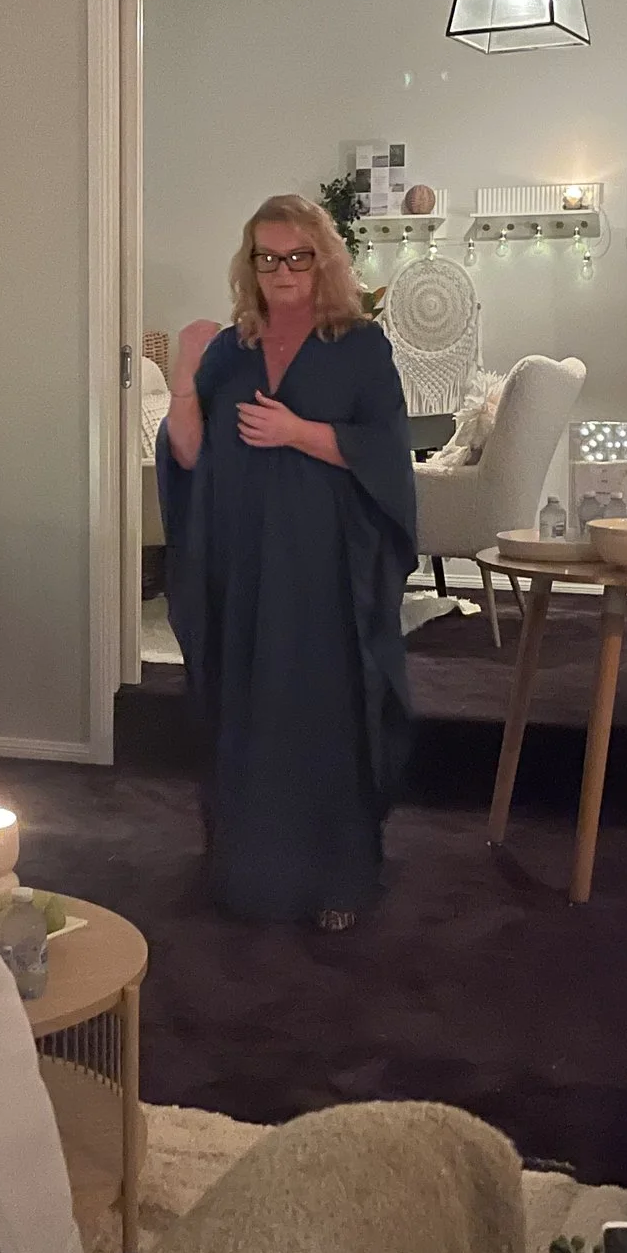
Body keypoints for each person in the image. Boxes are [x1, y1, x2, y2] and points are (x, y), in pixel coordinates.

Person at [158, 195, 417, 930]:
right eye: (267, 257)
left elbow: (386, 453)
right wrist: (183, 376)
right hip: (241, 562)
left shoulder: (360, 347)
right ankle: (248, 872)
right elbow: (187, 453)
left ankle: (338, 877)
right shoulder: (229, 351)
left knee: (324, 708)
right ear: (250, 264)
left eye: (298, 256)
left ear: (323, 260)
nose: (283, 271)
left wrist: (299, 431)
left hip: (323, 564)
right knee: (244, 704)